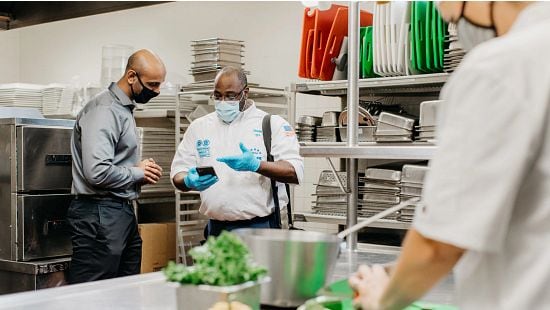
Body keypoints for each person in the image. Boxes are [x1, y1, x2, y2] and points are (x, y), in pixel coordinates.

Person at [349, 2, 550, 309]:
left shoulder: (500, 66)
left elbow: (438, 246)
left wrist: (382, 299)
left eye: (451, 16)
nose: (452, 28)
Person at [68, 49, 166, 284]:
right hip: (100, 212)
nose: (157, 91)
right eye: (152, 84)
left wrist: (138, 170)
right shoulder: (105, 110)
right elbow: (97, 172)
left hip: (118, 212)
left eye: (160, 84)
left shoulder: (122, 109)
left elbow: (112, 162)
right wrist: (137, 172)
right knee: (91, 294)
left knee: (123, 290)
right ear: (131, 76)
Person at [170, 67, 304, 237]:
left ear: (245, 93)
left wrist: (257, 165)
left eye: (231, 96)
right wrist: (188, 180)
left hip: (259, 227)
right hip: (215, 229)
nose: (223, 101)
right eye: (218, 96)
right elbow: (177, 174)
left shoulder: (271, 124)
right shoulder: (199, 127)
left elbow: (294, 171)